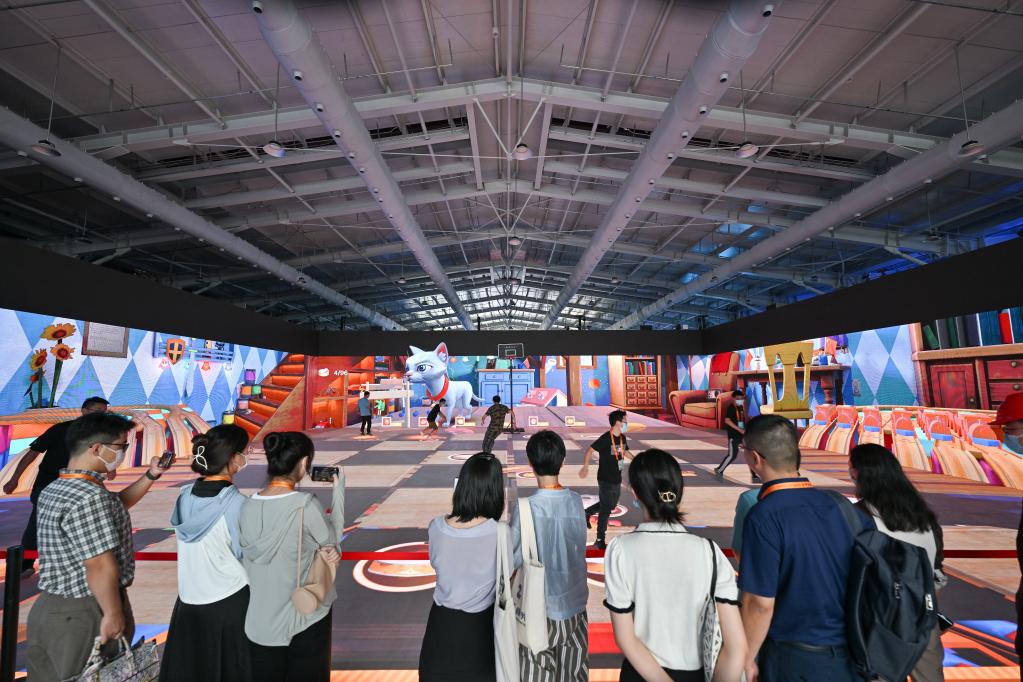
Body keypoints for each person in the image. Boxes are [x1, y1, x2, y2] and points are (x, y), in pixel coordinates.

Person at [27, 412, 167, 680]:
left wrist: (151, 475)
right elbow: (99, 564)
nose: (122, 453)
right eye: (121, 446)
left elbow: (116, 505)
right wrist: (113, 613)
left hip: (51, 608)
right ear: (96, 448)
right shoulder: (90, 497)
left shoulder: (58, 488)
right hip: (86, 611)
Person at [738, 414, 874, 682]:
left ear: (754, 458)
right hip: (851, 655)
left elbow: (760, 604)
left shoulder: (764, 516)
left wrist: (746, 657)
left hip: (793, 658)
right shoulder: (841, 506)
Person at [605, 449, 747, 682]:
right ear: (678, 491)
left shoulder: (620, 550)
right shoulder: (710, 553)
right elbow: (736, 647)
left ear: (635, 493)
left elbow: (626, 638)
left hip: (641, 674)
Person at [239, 432, 345, 682]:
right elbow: (332, 540)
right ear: (303, 462)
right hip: (303, 616)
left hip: (259, 623)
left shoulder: (247, 506)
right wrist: (339, 489)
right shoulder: (304, 505)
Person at [160, 424, 253, 682]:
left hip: (188, 601)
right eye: (244, 451)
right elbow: (247, 555)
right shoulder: (238, 504)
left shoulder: (184, 497)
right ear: (232, 458)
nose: (246, 456)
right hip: (231, 600)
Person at [848, 443, 946, 682]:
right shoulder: (923, 516)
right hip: (923, 615)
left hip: (880, 621)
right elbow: (937, 568)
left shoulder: (857, 516)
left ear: (858, 473)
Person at [419, 452, 505, 681]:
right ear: (495, 491)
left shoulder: (436, 527)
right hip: (479, 634)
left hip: (439, 628)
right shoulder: (501, 533)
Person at [512, 430, 589, 682]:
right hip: (575, 604)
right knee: (574, 675)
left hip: (537, 608)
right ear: (562, 461)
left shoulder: (525, 507)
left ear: (530, 463)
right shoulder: (575, 501)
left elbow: (513, 560)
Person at [3, 396, 110, 575]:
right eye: (97, 411)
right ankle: (26, 563)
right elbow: (32, 454)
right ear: (84, 411)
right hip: (48, 485)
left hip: (79, 488)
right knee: (39, 523)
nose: (101, 416)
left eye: (104, 413)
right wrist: (14, 479)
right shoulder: (61, 429)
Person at [580, 409, 632, 550]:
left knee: (611, 505)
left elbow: (625, 451)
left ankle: (587, 512)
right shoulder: (605, 438)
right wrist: (585, 467)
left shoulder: (622, 438)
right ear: (618, 422)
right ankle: (600, 539)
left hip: (616, 477)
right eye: (625, 421)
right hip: (605, 478)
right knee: (605, 509)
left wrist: (636, 459)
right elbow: (590, 450)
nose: (626, 423)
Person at [714, 390, 746, 480]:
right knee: (732, 455)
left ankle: (754, 474)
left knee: (750, 453)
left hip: (741, 435)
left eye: (741, 399)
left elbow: (741, 421)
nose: (740, 400)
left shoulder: (740, 408)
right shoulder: (731, 408)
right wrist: (739, 429)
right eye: (738, 399)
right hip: (734, 436)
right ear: (733, 399)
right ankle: (719, 470)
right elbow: (727, 420)